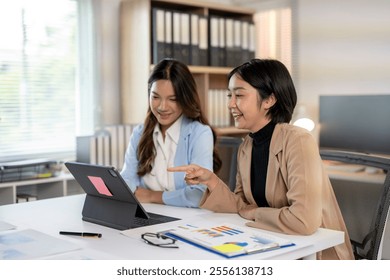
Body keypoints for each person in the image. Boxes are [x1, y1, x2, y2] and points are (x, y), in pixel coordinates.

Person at [168, 59, 354, 259]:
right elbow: (241, 206)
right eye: (229, 95)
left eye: (239, 95)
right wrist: (210, 180)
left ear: (269, 100)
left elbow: (303, 220)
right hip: (273, 245)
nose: (230, 104)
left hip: (313, 256)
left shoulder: (298, 141)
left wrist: (256, 213)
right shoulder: (247, 145)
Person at [121, 58, 221, 208]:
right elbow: (126, 181)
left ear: (185, 99)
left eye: (172, 99)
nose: (162, 107)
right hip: (147, 213)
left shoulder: (200, 134)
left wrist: (150, 196)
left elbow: (198, 195)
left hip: (186, 220)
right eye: (155, 97)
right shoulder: (139, 133)